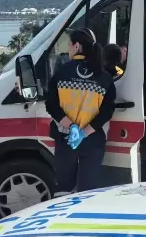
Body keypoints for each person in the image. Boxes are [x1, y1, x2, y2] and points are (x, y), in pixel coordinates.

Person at [45, 27, 116, 195]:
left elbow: (51, 105)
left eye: (69, 46)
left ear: (76, 46)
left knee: (64, 191)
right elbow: (106, 112)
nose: (68, 50)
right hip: (93, 140)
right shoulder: (104, 77)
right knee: (87, 193)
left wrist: (73, 127)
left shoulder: (61, 72)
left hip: (66, 139)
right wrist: (83, 133)